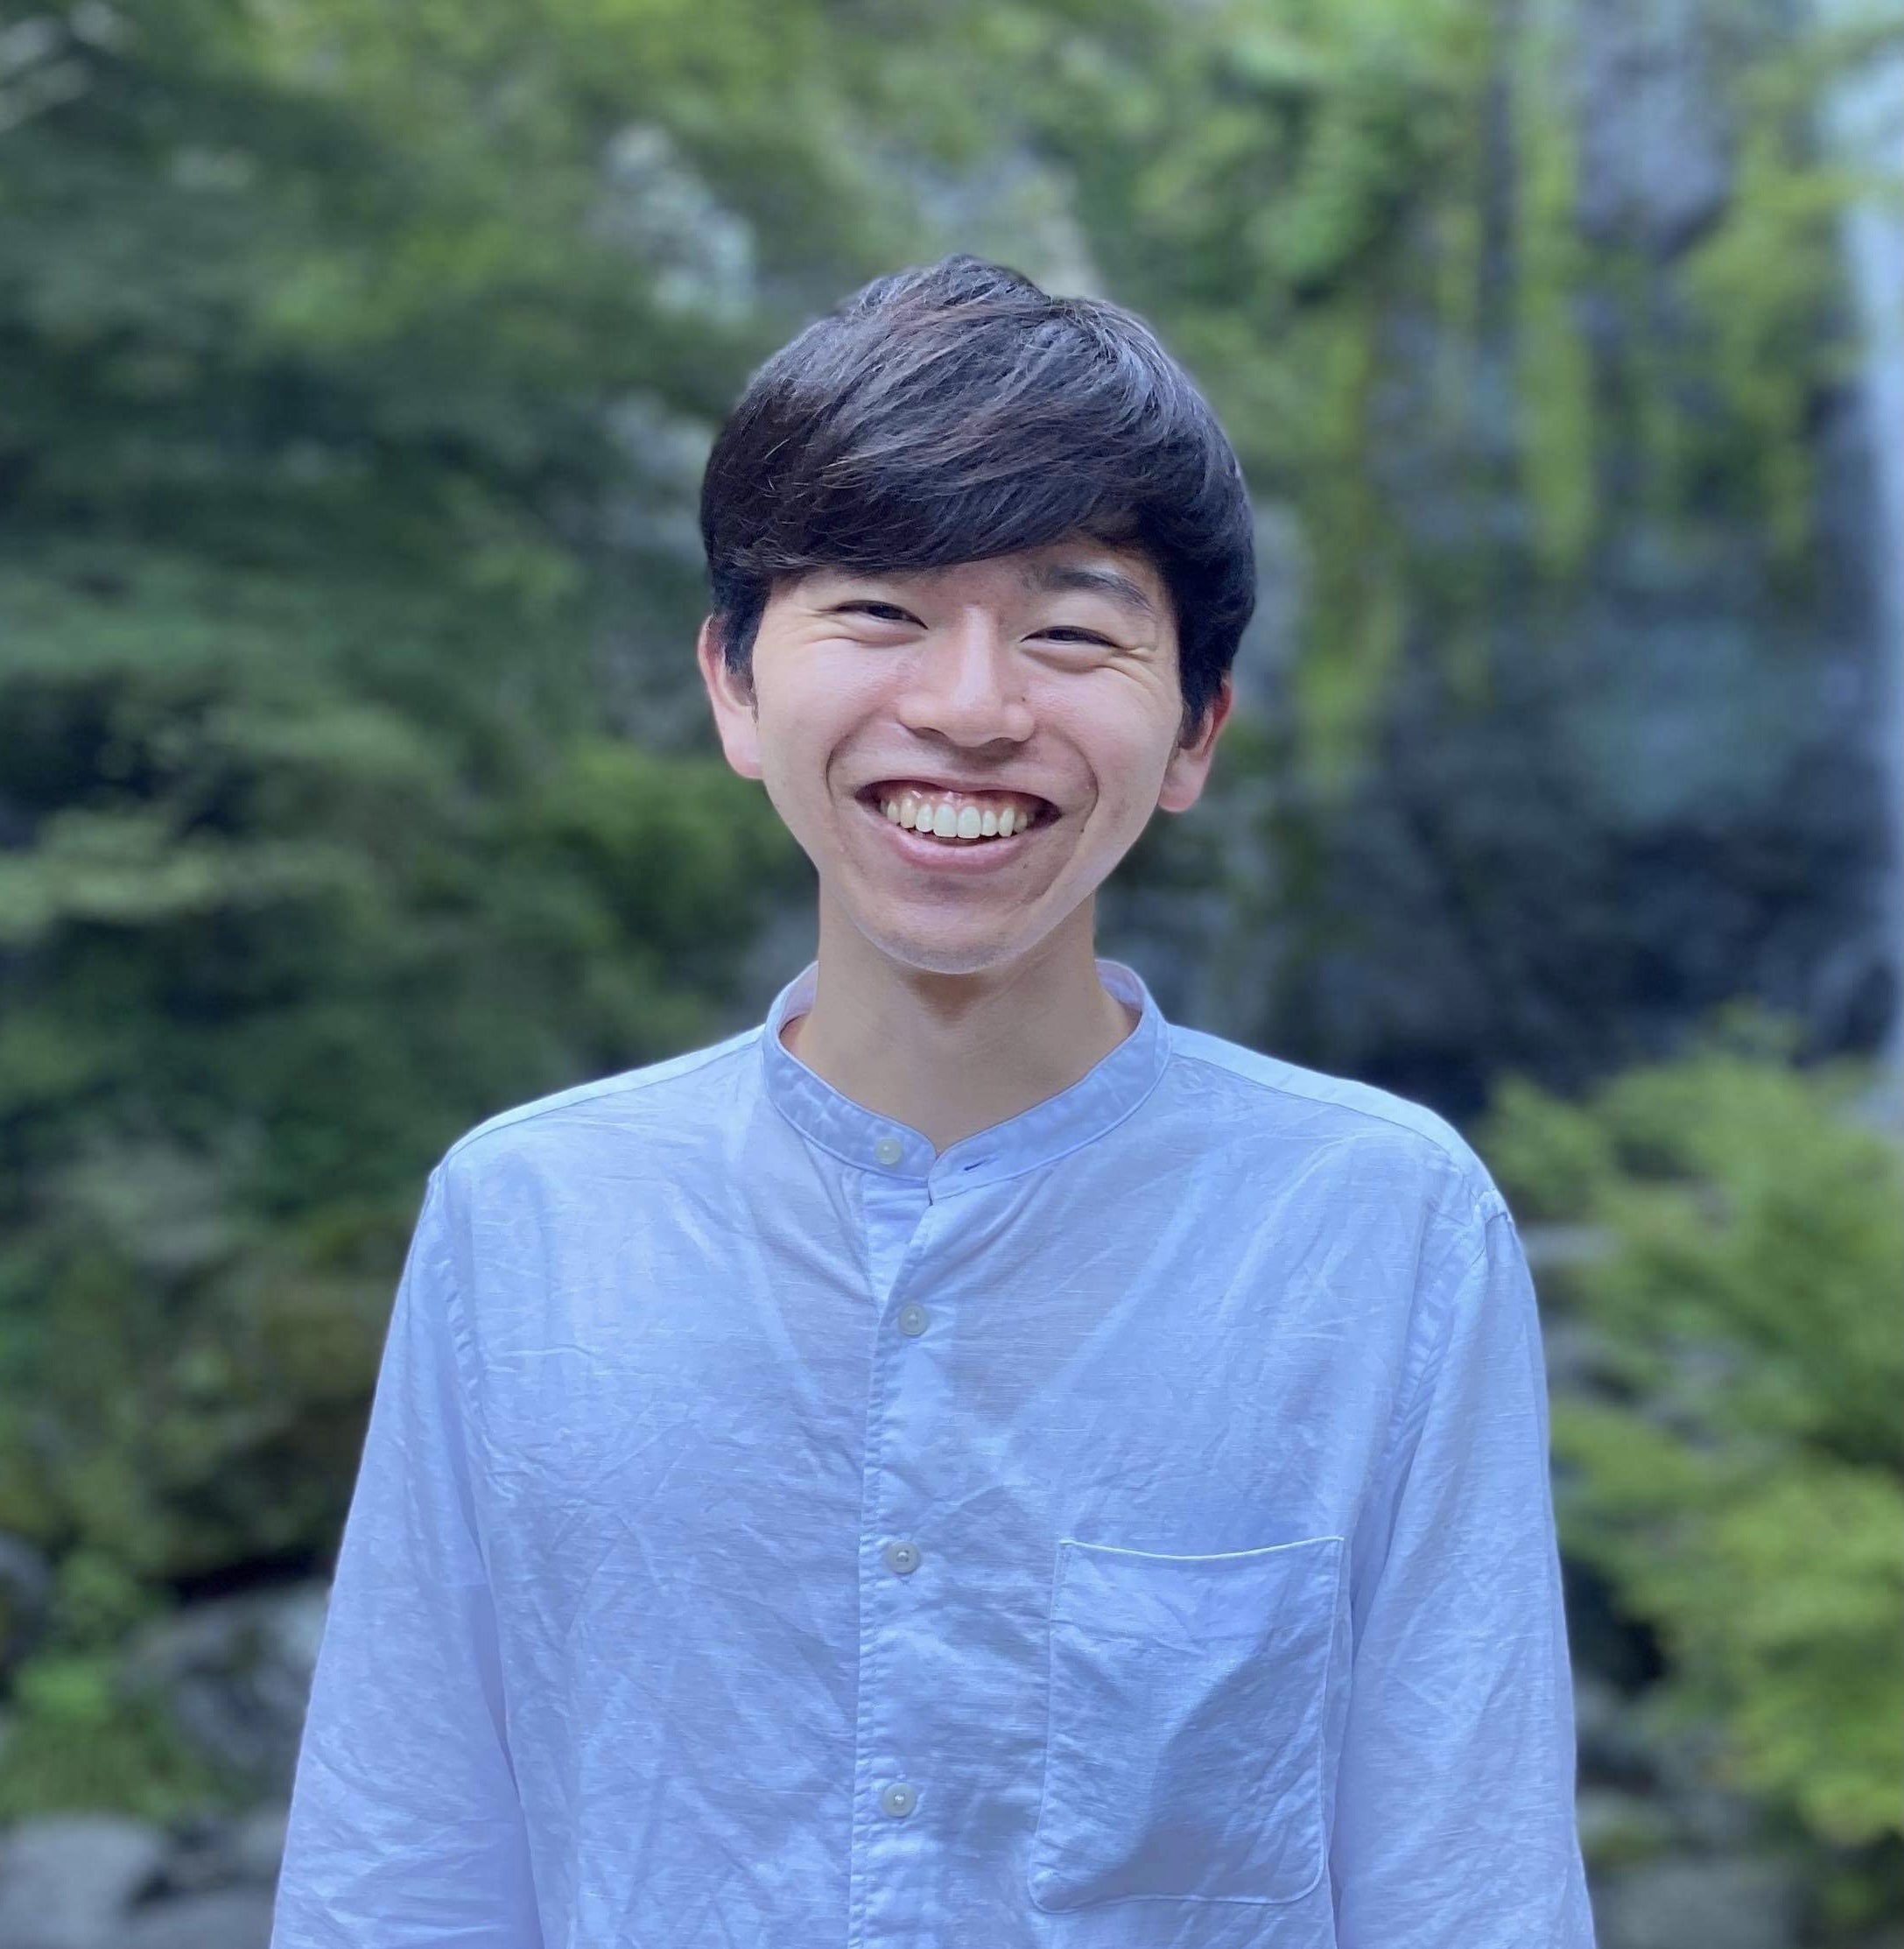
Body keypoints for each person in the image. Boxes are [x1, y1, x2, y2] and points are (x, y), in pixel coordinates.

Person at [270, 253, 1598, 1948]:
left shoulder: (1381, 1229)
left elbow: (1472, 1896)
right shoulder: (525, 1222)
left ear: (1195, 731)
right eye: (880, 612)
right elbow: (398, 1881)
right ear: (733, 684)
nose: (971, 708)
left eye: (1069, 631)